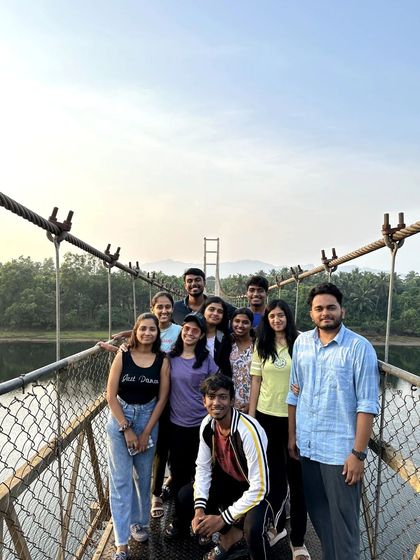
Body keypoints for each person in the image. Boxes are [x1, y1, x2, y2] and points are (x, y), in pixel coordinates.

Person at [286, 283, 380, 560]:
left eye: (331, 307)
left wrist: (358, 454)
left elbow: (367, 405)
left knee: (345, 529)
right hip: (308, 447)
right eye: (319, 308)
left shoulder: (359, 348)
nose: (325, 313)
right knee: (321, 519)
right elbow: (294, 393)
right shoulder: (301, 343)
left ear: (342, 310)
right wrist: (292, 437)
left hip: (340, 454)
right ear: (311, 313)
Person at [174, 374, 271, 560]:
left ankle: (238, 533)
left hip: (262, 490)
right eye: (211, 397)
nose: (216, 403)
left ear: (232, 400)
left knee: (254, 530)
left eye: (222, 397)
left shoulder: (248, 431)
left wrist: (222, 519)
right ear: (204, 401)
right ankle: (230, 535)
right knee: (187, 496)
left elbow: (260, 488)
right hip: (232, 482)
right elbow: (202, 469)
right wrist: (199, 510)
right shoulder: (207, 424)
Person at [106, 313, 170, 560]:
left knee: (143, 477)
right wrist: (127, 428)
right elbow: (110, 395)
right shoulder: (122, 355)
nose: (147, 333)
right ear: (135, 331)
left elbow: (162, 398)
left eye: (151, 329)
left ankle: (138, 522)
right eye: (142, 329)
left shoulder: (162, 360)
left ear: (157, 333)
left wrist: (145, 432)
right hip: (120, 418)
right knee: (120, 480)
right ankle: (121, 544)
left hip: (148, 419)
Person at [249, 299, 309, 559]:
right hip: (266, 417)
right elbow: (256, 381)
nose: (276, 320)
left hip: (296, 418)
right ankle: (277, 527)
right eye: (272, 316)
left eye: (280, 315)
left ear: (288, 317)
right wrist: (251, 419)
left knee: (297, 481)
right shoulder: (261, 344)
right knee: (273, 479)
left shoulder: (302, 343)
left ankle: (298, 541)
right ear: (267, 319)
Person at [165, 312, 219, 537]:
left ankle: (203, 524)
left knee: (203, 476)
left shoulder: (206, 360)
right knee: (178, 475)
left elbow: (217, 387)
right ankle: (180, 520)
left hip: (203, 426)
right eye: (186, 329)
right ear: (181, 331)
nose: (189, 333)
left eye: (195, 331)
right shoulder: (169, 357)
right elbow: (142, 353)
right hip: (177, 426)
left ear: (201, 335)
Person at [148, 292, 181, 517]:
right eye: (159, 307)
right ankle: (155, 495)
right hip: (150, 397)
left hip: (176, 397)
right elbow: (133, 348)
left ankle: (177, 488)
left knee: (177, 448)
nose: (164, 311)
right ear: (152, 308)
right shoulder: (148, 329)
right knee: (158, 450)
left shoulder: (179, 331)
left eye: (168, 307)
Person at [217, 307, 255, 413]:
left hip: (254, 402)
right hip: (230, 401)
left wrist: (251, 405)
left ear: (251, 325)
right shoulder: (228, 343)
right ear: (231, 322)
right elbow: (221, 368)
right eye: (237, 321)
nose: (240, 325)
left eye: (245, 322)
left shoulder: (258, 345)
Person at [199, 296, 230, 360]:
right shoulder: (192, 333)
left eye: (220, 311)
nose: (215, 313)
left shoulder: (225, 338)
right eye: (211, 309)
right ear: (204, 311)